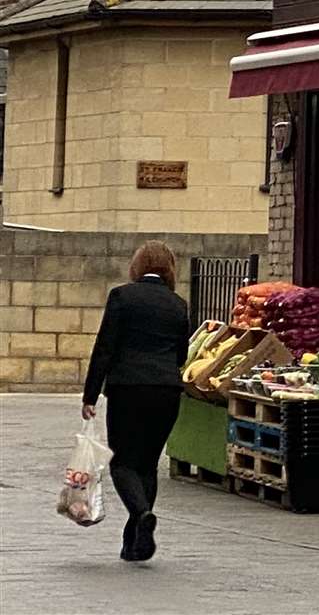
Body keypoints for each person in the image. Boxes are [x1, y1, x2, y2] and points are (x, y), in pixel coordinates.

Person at [81, 240, 191, 562]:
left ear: (137, 266)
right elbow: (181, 353)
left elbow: (105, 348)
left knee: (122, 462)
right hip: (166, 391)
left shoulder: (122, 297)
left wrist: (90, 395)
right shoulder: (178, 304)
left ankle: (142, 514)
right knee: (146, 465)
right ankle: (134, 542)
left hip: (128, 389)